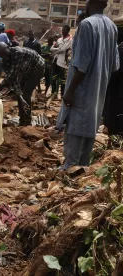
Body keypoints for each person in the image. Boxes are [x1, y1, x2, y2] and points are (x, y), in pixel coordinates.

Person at [56, 0, 119, 170]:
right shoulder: (112, 27)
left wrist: (70, 91)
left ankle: (70, 173)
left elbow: (82, 66)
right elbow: (115, 65)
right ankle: (81, 171)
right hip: (99, 92)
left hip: (81, 90)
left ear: (90, 3)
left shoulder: (86, 24)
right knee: (89, 134)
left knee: (76, 132)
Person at [0, 42, 45, 126]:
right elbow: (13, 80)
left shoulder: (18, 54)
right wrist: (20, 96)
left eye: (5, 53)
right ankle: (22, 119)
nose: (4, 56)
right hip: (26, 69)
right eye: (1, 55)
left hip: (37, 67)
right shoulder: (4, 63)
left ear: (8, 47)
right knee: (20, 95)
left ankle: (27, 121)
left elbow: (12, 75)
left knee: (26, 94)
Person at [50, 25, 72, 97]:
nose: (63, 31)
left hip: (63, 62)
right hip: (55, 60)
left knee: (63, 80)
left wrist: (56, 50)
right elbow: (51, 48)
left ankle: (62, 94)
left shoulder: (70, 40)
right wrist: (59, 49)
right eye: (62, 30)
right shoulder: (59, 39)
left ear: (68, 31)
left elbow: (63, 50)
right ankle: (53, 93)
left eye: (64, 30)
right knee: (53, 78)